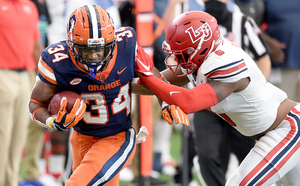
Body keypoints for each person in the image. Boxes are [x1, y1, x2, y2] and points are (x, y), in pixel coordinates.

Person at [27, 5, 188, 186]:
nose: (95, 56)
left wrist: (166, 103)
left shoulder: (126, 46)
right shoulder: (57, 61)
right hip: (81, 138)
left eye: (100, 50)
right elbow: (35, 104)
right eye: (87, 51)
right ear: (71, 46)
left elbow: (155, 81)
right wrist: (53, 122)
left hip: (117, 137)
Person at [136, 10, 300, 185]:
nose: (174, 59)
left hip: (287, 129)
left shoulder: (223, 64)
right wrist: (115, 85)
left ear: (199, 48)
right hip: (274, 132)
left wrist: (147, 73)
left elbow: (187, 101)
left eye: (180, 53)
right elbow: (159, 83)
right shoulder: (201, 58)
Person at [0, 0, 43, 186]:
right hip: (2, 74)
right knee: (2, 137)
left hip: (25, 76)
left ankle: (12, 182)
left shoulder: (30, 6)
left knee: (18, 137)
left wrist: (44, 80)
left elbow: (36, 45)